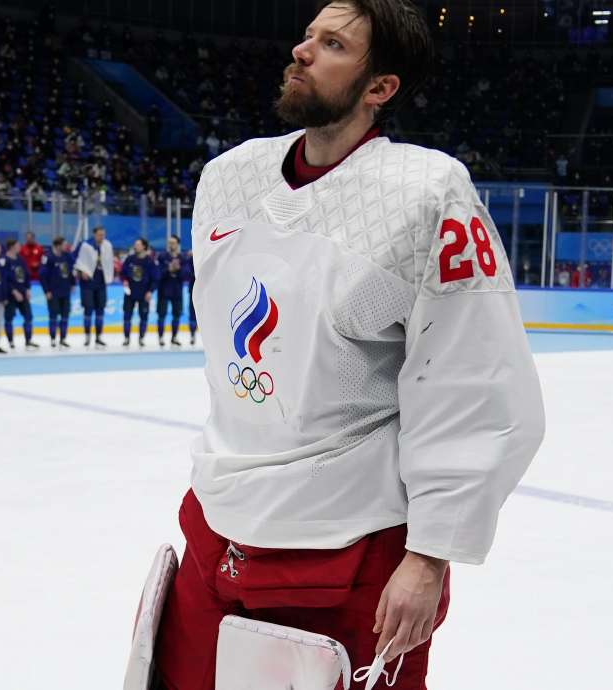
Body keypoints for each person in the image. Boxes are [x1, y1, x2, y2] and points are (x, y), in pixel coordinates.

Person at [144, 3, 545, 689]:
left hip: (349, 555)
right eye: (307, 36)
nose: (301, 51)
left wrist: (430, 555)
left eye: (332, 45)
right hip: (217, 527)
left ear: (379, 88)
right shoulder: (229, 177)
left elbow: (474, 382)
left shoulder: (427, 193)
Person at [75, 226, 114, 347]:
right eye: (99, 235)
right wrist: (81, 270)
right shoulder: (85, 245)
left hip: (101, 281)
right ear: (94, 234)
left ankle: (98, 337)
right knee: (88, 309)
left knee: (100, 310)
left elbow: (109, 261)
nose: (101, 237)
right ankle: (87, 337)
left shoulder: (107, 245)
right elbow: (74, 258)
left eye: (103, 235)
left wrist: (110, 275)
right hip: (88, 283)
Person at [38, 235, 76, 348]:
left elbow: (71, 270)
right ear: (58, 246)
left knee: (65, 316)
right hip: (53, 292)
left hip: (65, 291)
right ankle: (53, 338)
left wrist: (73, 283)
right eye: (64, 245)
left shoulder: (67, 256)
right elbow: (42, 275)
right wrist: (46, 291)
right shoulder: (48, 257)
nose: (66, 246)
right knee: (53, 316)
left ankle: (63, 338)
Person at [120, 238, 158, 347]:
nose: (135, 246)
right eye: (135, 244)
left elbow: (155, 279)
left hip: (144, 293)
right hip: (130, 293)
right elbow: (123, 273)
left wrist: (150, 291)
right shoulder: (130, 259)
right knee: (127, 316)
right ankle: (126, 338)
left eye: (137, 244)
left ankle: (141, 338)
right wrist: (125, 281)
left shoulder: (150, 261)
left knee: (143, 317)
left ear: (144, 247)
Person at [2, 239, 38, 350]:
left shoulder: (20, 260)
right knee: (9, 318)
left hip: (22, 293)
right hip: (10, 294)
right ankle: (11, 341)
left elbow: (27, 275)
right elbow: (4, 279)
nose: (20, 247)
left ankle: (28, 340)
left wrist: (27, 289)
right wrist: (13, 291)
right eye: (18, 245)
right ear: (12, 246)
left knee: (28, 316)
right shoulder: (5, 261)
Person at [155, 235, 189, 347]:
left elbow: (186, 275)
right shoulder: (162, 256)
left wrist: (179, 269)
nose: (171, 245)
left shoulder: (183, 258)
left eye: (173, 243)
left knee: (176, 315)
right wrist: (168, 269)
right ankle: (160, 338)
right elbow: (157, 274)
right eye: (169, 242)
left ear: (178, 244)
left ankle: (174, 337)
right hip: (163, 290)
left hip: (177, 291)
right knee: (161, 315)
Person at [185, 249, 198, 345]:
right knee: (192, 314)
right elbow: (187, 273)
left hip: (208, 291)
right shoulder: (190, 259)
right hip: (193, 290)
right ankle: (192, 335)